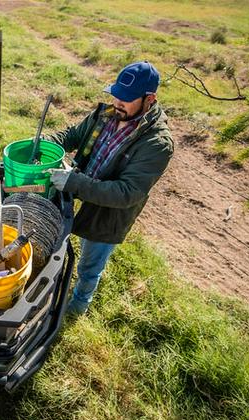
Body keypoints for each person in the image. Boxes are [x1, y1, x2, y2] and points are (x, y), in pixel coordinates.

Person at [45, 61, 174, 316]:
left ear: (150, 99)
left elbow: (127, 193)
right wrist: (46, 143)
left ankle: (79, 304)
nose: (118, 103)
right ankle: (51, 286)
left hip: (110, 211)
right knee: (54, 241)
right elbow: (72, 135)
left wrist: (74, 182)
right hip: (78, 187)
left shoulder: (157, 143)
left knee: (90, 265)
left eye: (126, 99)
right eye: (116, 96)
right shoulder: (106, 114)